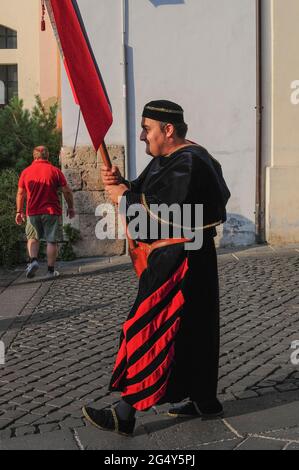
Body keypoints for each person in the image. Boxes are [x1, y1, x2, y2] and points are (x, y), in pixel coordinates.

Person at [82, 100, 230, 436]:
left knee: (151, 325)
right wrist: (124, 184)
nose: (141, 136)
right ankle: (204, 400)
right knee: (194, 330)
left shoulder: (191, 162)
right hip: (185, 259)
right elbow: (149, 192)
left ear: (168, 129)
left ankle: (125, 411)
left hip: (180, 262)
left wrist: (124, 199)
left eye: (146, 128)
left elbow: (166, 216)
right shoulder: (170, 159)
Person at [16, 145, 75, 278]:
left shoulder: (26, 172)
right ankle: (50, 271)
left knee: (32, 238)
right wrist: (70, 207)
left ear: (34, 156)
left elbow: (20, 193)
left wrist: (19, 211)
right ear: (47, 156)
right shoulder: (55, 171)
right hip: (51, 211)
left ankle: (34, 261)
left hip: (32, 211)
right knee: (51, 241)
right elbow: (66, 191)